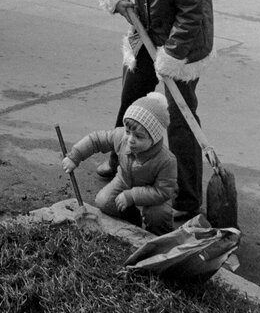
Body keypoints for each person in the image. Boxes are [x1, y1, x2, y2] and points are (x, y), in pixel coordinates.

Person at [90, 0, 214, 220]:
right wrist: (114, 0)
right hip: (144, 34)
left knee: (181, 121)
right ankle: (120, 163)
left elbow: (192, 13)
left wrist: (170, 57)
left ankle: (187, 201)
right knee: (131, 101)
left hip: (184, 47)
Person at [62, 92, 177, 234]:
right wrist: (75, 156)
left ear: (154, 138)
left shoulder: (167, 160)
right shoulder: (121, 137)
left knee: (158, 215)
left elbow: (163, 191)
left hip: (154, 194)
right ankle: (133, 222)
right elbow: (96, 140)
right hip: (124, 181)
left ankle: (159, 236)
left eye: (139, 136)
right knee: (103, 201)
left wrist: (131, 196)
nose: (130, 139)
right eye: (128, 131)